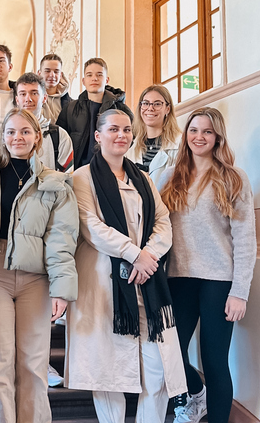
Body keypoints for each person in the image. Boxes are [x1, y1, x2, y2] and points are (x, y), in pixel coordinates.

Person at [66, 109, 186, 423]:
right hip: (103, 284)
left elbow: (163, 223)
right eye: (113, 129)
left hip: (146, 280)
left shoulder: (142, 177)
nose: (121, 135)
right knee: (108, 374)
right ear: (97, 135)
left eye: (126, 130)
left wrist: (148, 256)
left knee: (158, 370)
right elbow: (90, 226)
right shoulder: (81, 177)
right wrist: (135, 254)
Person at [0, 108, 79, 422]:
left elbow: (62, 239)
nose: (17, 138)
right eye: (11, 132)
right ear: (2, 136)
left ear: (37, 137)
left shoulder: (56, 184)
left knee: (34, 366)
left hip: (36, 278)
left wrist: (61, 289)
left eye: (25, 131)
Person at [158, 107, 256, 423]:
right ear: (185, 135)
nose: (199, 137)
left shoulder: (234, 178)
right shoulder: (169, 177)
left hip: (218, 282)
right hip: (177, 279)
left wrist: (240, 291)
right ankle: (195, 393)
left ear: (217, 138)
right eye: (194, 130)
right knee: (168, 356)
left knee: (214, 361)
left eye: (207, 132)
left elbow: (245, 239)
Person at [0, 72, 74, 173]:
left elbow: (67, 179)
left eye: (34, 93)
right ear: (17, 99)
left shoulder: (60, 136)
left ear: (44, 98)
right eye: (23, 94)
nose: (28, 99)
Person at [56, 58, 133, 169]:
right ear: (83, 81)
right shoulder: (70, 109)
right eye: (89, 75)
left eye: (99, 75)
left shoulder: (121, 110)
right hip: (77, 170)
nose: (94, 78)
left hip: (110, 170)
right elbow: (60, 141)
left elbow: (131, 139)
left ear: (107, 80)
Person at [126, 85, 181, 184]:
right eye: (146, 103)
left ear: (167, 109)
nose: (150, 108)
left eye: (157, 104)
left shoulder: (179, 143)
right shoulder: (130, 147)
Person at [38, 53, 71, 124]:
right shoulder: (31, 98)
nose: (52, 75)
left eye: (56, 72)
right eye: (47, 71)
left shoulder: (70, 104)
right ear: (39, 73)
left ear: (61, 75)